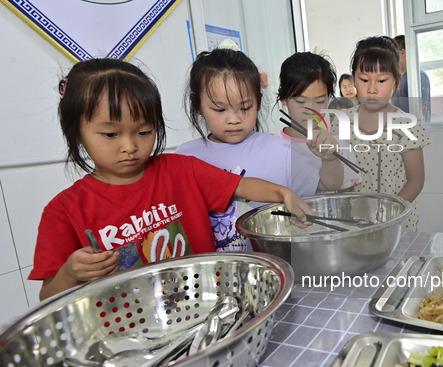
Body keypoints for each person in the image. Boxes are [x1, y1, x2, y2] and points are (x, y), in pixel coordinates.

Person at [29, 58, 313, 300]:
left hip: (209, 307)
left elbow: (241, 186)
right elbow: (48, 295)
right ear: (76, 130)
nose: (129, 146)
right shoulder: (63, 211)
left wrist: (281, 193)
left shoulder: (180, 169)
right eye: (110, 135)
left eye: (143, 132)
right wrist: (70, 274)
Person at [175, 43, 340, 251]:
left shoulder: (282, 152)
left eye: (245, 107)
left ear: (259, 102)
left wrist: (329, 159)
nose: (234, 119)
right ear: (197, 104)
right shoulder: (184, 158)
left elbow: (328, 185)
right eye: (219, 109)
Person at [341, 36, 430, 231]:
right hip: (357, 225)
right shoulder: (342, 122)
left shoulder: (406, 125)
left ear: (396, 82)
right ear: (353, 79)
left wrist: (387, 214)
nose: (372, 89)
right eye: (364, 80)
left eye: (381, 81)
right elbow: (342, 177)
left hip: (398, 224)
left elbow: (416, 180)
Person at [277, 52, 362, 192]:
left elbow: (346, 201)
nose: (311, 110)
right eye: (301, 101)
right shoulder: (271, 146)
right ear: (284, 98)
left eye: (320, 101)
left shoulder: (339, 145)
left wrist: (331, 158)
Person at [391, 35, 431, 122]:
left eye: (391, 55)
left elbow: (421, 112)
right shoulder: (398, 79)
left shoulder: (418, 77)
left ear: (402, 53)